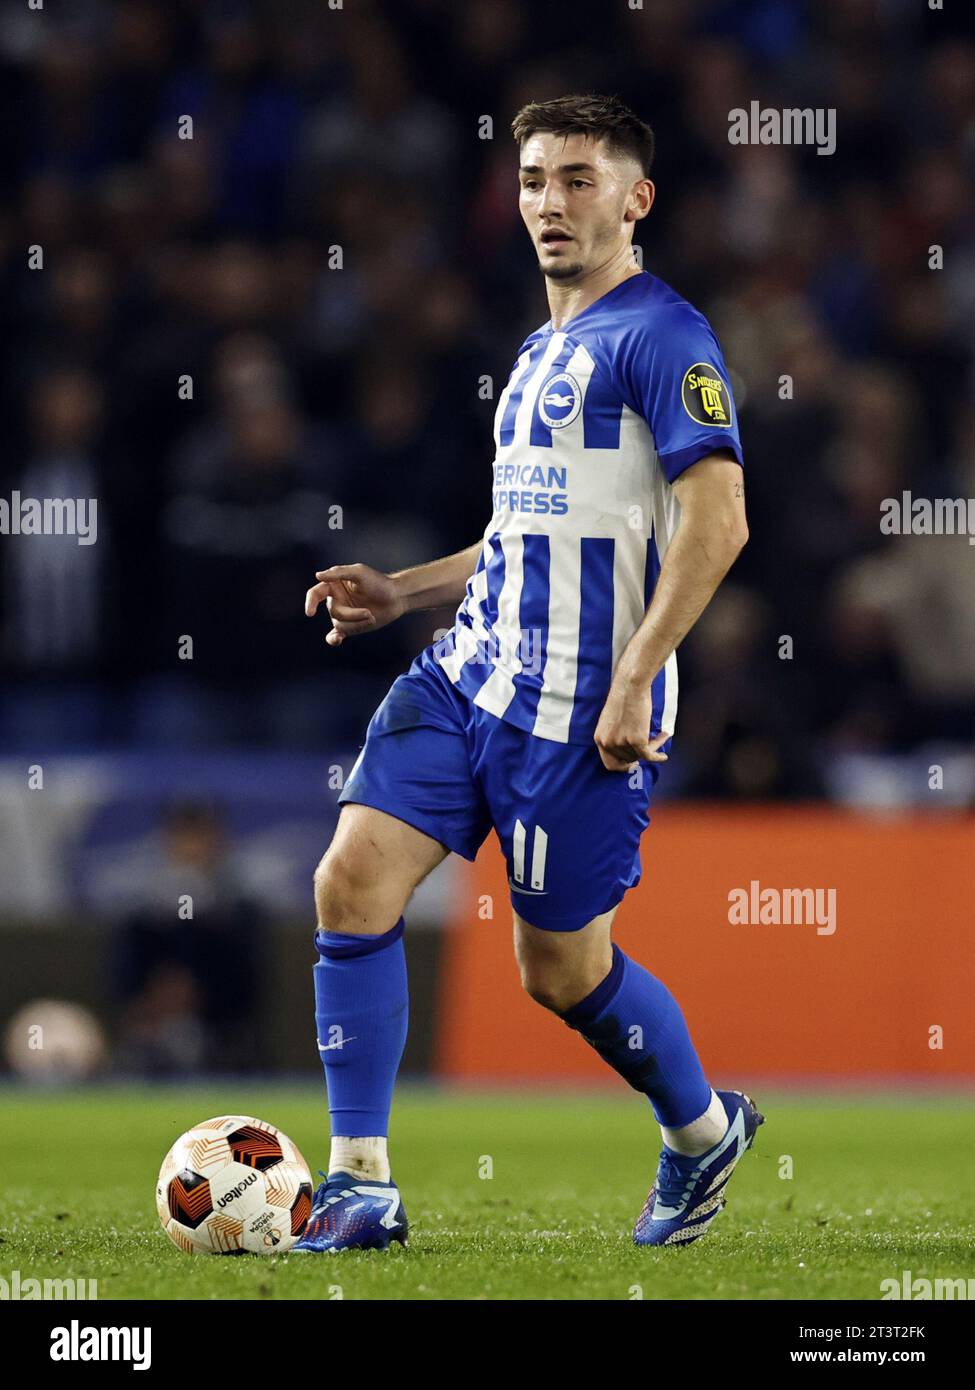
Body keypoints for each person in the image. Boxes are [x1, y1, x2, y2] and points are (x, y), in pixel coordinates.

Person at [294, 94, 761, 1254]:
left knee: (558, 972)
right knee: (350, 880)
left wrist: (636, 674)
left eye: (580, 179)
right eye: (535, 179)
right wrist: (406, 591)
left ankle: (702, 1133)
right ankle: (360, 1184)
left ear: (636, 198)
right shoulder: (540, 346)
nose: (552, 203)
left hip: (581, 710)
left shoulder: (666, 337)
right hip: (467, 677)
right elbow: (525, 532)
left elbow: (721, 523)